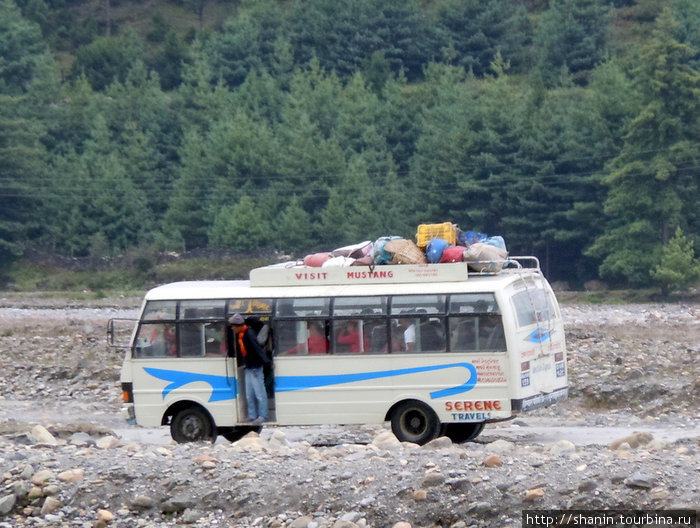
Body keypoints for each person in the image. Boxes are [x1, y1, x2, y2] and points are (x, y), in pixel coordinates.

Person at [229, 313, 271, 424]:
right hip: (249, 367)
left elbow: (257, 349)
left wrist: (267, 362)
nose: (232, 328)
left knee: (259, 393)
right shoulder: (242, 334)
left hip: (255, 368)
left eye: (233, 326)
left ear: (238, 326)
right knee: (249, 394)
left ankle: (263, 415)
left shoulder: (248, 334)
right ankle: (252, 415)